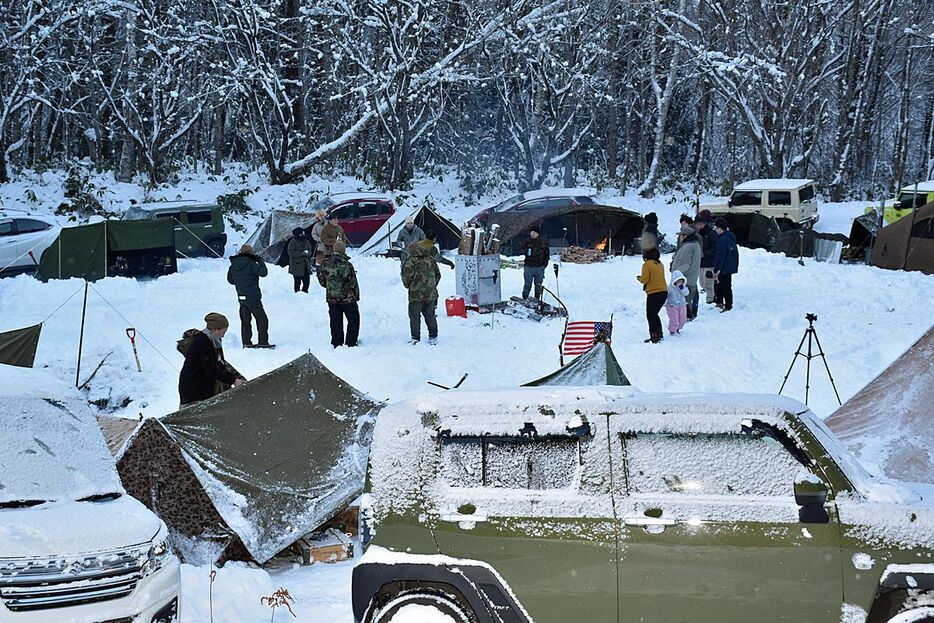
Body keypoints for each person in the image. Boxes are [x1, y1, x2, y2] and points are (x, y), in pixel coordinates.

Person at [178, 312, 245, 406]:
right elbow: (211, 370)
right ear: (215, 329)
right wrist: (233, 381)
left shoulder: (213, 340)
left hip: (204, 388)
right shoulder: (203, 342)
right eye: (223, 332)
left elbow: (220, 364)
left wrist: (235, 378)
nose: (223, 335)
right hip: (193, 391)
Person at [227, 244, 274, 348]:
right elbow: (263, 273)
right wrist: (261, 261)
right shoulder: (251, 263)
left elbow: (230, 280)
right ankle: (263, 342)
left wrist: (241, 282)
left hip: (241, 297)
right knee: (262, 319)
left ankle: (246, 342)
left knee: (245, 321)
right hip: (253, 297)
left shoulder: (233, 265)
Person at [317, 239, 360, 347]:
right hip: (347, 298)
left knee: (335, 321)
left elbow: (322, 281)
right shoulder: (347, 264)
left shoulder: (325, 263)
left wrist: (331, 287)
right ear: (343, 250)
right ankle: (351, 342)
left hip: (332, 298)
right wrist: (356, 295)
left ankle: (337, 342)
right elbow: (353, 282)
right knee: (353, 319)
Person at [402, 239, 441, 345]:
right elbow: (438, 274)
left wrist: (410, 286)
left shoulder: (411, 261)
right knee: (430, 315)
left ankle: (415, 337)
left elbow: (406, 278)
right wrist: (431, 286)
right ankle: (433, 336)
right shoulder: (430, 259)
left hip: (416, 294)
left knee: (414, 317)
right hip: (430, 293)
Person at [670, 225, 701, 319]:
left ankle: (687, 318)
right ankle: (690, 315)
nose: (679, 237)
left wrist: (676, 273)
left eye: (681, 235)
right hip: (692, 277)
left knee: (685, 300)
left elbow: (684, 264)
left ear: (685, 236)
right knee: (689, 299)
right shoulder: (696, 245)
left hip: (684, 278)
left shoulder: (687, 247)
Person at [637, 247, 667, 343]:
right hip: (664, 292)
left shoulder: (647, 265)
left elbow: (644, 280)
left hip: (654, 293)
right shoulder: (660, 264)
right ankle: (659, 333)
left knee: (650, 315)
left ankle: (654, 335)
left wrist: (639, 278)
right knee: (654, 313)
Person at [713, 217, 739, 312]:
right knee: (724, 286)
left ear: (720, 228)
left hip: (724, 268)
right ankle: (722, 303)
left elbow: (720, 255)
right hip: (729, 266)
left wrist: (717, 269)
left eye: (716, 228)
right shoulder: (730, 237)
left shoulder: (722, 239)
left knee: (724, 286)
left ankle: (728, 305)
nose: (715, 230)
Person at [518, 225, 550, 299]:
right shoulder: (527, 241)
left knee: (538, 284)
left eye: (534, 233)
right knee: (527, 284)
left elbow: (547, 254)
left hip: (539, 267)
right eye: (531, 232)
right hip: (529, 266)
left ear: (538, 233)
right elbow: (519, 250)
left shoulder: (543, 242)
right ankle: (525, 298)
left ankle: (537, 298)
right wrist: (526, 251)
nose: (532, 234)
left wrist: (544, 265)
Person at [696, 210, 719, 304]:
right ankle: (712, 296)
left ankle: (711, 299)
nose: (699, 225)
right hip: (700, 263)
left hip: (709, 262)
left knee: (709, 282)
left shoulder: (711, 233)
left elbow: (716, 248)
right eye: (697, 224)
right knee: (702, 282)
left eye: (701, 223)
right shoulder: (696, 234)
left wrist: (705, 253)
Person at [287, 227, 314, 293]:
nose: (304, 233)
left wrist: (308, 253)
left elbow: (310, 250)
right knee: (297, 282)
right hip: (296, 265)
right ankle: (297, 294)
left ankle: (305, 292)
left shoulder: (306, 241)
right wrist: (301, 253)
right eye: (302, 232)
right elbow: (290, 252)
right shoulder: (293, 242)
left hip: (305, 264)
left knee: (307, 281)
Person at [665, 270, 690, 336]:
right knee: (674, 319)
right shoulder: (669, 287)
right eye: (678, 280)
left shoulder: (683, 287)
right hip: (672, 306)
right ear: (674, 280)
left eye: (681, 280)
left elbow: (686, 293)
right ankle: (672, 330)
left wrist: (682, 288)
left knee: (683, 319)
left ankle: (678, 328)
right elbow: (666, 295)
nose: (679, 282)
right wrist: (664, 302)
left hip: (682, 305)